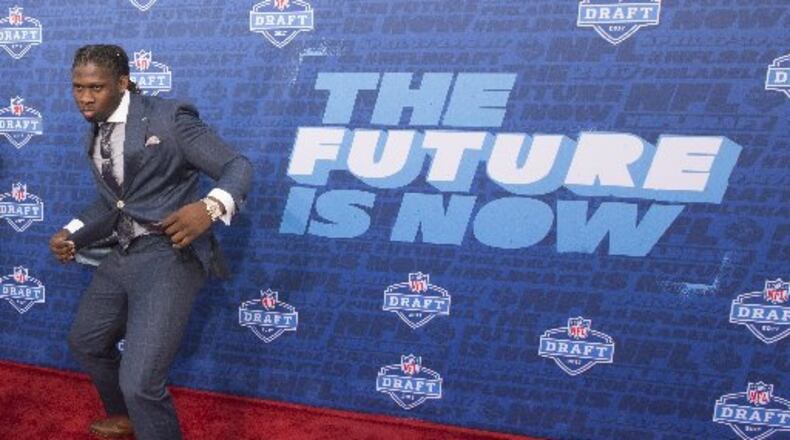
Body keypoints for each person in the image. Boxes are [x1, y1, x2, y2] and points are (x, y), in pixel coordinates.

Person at [48, 44, 252, 440]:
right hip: (122, 253)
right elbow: (117, 201)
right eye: (78, 87)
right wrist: (73, 230)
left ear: (122, 83)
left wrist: (209, 208)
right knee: (87, 341)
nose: (85, 98)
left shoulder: (169, 118)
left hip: (169, 257)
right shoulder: (97, 127)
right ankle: (128, 419)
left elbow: (237, 165)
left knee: (141, 382)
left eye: (96, 87)